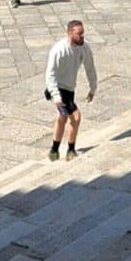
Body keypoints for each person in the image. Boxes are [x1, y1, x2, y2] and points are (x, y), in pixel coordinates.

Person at [43, 19, 97, 162]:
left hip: (69, 88)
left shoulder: (84, 48)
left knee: (62, 117)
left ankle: (54, 150)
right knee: (76, 117)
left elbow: (90, 68)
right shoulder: (58, 49)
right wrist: (56, 96)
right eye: (79, 34)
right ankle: (71, 150)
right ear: (69, 33)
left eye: (83, 33)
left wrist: (93, 88)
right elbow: (50, 74)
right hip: (58, 88)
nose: (82, 36)